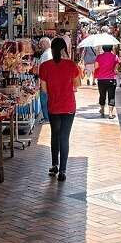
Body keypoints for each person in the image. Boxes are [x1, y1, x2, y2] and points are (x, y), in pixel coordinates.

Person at [39, 38, 81, 182]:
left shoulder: (44, 66)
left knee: (55, 135)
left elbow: (44, 90)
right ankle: (63, 170)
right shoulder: (71, 65)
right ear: (64, 49)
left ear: (51, 49)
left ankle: (54, 165)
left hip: (53, 106)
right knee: (64, 137)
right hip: (69, 106)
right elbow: (77, 85)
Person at [94, 45, 120, 119]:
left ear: (103, 48)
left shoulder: (99, 57)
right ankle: (110, 114)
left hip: (101, 79)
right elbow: (116, 70)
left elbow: (96, 67)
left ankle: (102, 109)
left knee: (102, 95)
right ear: (111, 48)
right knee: (111, 96)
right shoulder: (115, 57)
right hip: (111, 79)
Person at [37, 37, 52, 123]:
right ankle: (47, 116)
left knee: (44, 99)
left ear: (45, 44)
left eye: (41, 44)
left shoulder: (46, 54)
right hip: (48, 81)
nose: (40, 46)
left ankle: (47, 117)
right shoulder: (49, 53)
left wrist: (41, 82)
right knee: (46, 99)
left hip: (46, 81)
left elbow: (44, 69)